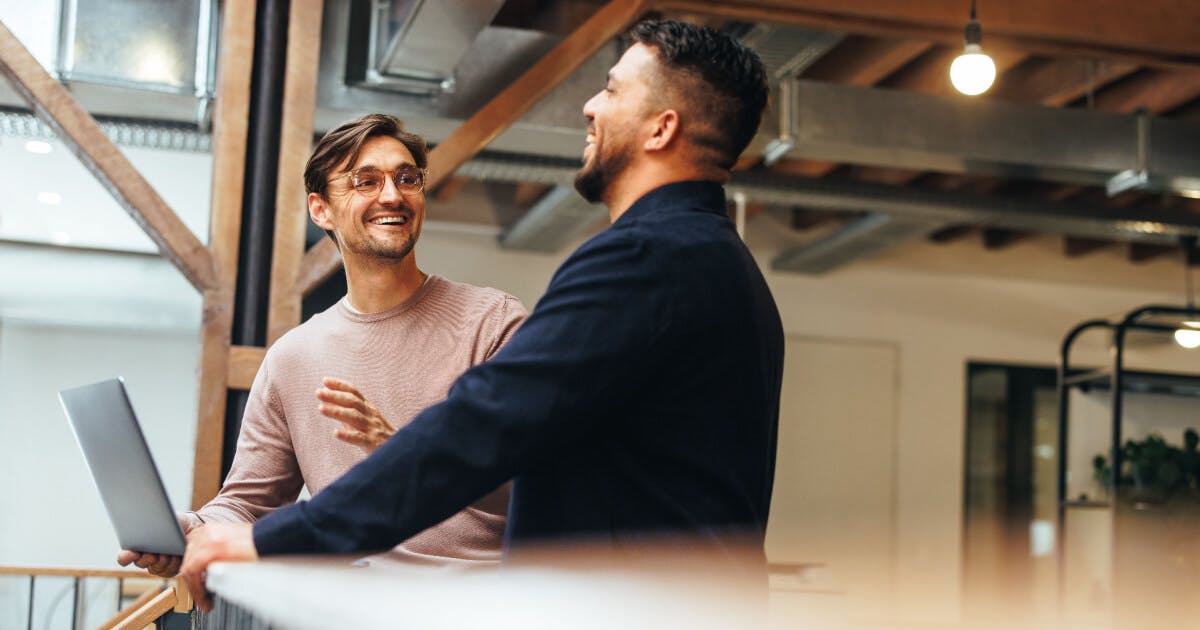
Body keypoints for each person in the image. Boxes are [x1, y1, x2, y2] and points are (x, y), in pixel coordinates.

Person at [181, 19, 783, 611]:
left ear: (661, 129)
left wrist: (275, 538)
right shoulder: (721, 263)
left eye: (613, 88)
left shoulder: (644, 258)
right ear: (322, 209)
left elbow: (479, 430)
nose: (591, 106)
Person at [119, 114, 526, 577]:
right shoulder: (293, 356)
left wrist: (412, 453)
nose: (392, 195)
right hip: (340, 607)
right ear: (321, 209)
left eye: (406, 178)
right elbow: (249, 505)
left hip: (475, 605)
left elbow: (542, 482)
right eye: (365, 181)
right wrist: (193, 529)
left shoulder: (492, 322)